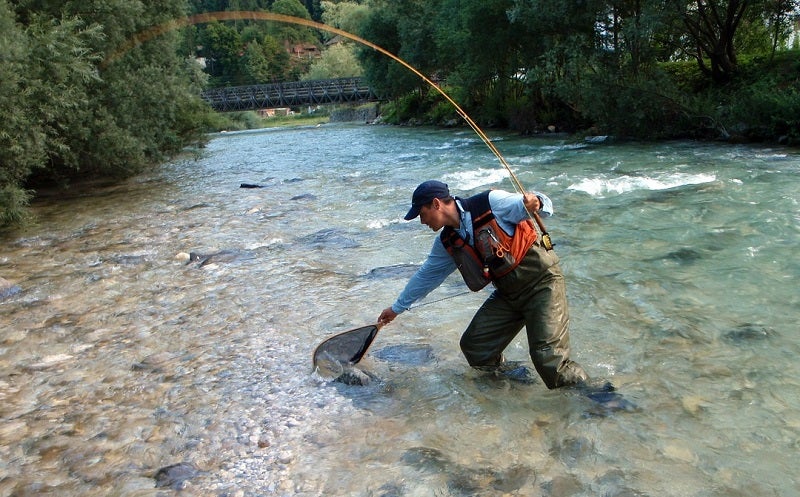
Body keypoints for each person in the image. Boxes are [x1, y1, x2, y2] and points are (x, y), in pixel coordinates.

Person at [377, 180, 590, 389]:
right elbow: (426, 277)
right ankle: (513, 383)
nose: (422, 221)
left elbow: (539, 207)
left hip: (543, 283)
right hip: (508, 294)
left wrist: (537, 203)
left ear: (436, 204)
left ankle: (599, 399)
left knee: (548, 358)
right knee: (476, 346)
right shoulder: (447, 242)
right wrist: (397, 308)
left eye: (421, 214)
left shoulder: (490, 202)